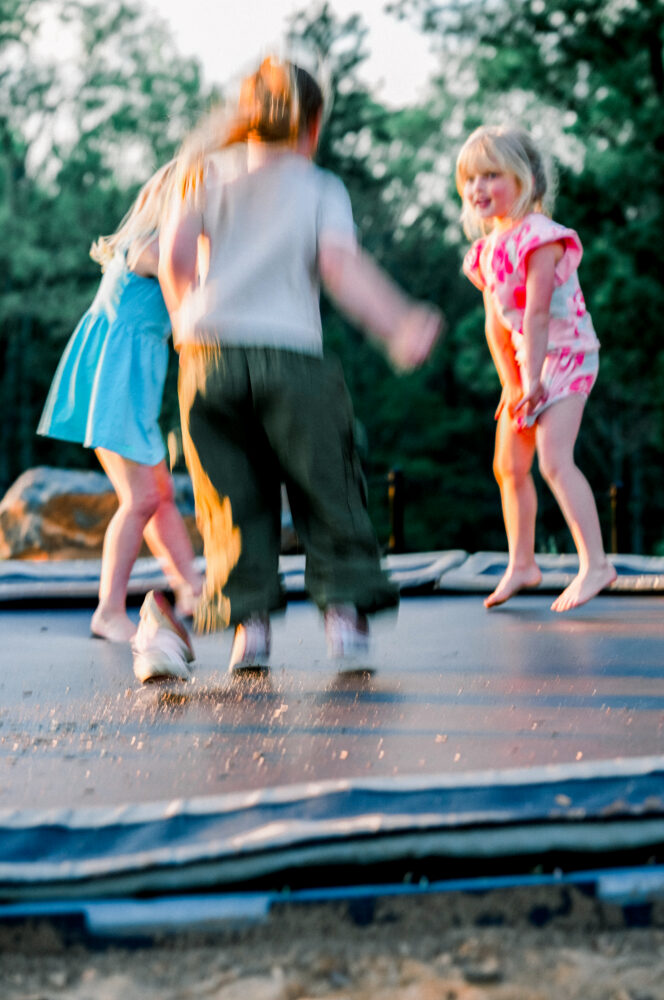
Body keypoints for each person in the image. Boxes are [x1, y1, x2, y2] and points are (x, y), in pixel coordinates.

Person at [134, 53, 443, 681]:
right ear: (314, 125)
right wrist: (399, 322)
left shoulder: (201, 173)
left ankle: (251, 632)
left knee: (231, 499)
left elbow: (171, 260)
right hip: (293, 357)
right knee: (326, 483)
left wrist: (187, 323)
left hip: (207, 359)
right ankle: (346, 619)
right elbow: (340, 269)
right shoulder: (320, 187)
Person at [37, 164, 203, 643]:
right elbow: (190, 297)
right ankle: (109, 609)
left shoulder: (149, 245)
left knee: (160, 494)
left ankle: (189, 586)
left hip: (127, 388)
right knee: (142, 498)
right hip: (115, 389)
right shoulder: (152, 249)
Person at [455, 125, 617, 612]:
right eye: (469, 179)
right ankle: (522, 564)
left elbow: (537, 314)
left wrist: (535, 382)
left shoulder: (543, 238)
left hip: (567, 355)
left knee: (552, 459)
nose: (477, 188)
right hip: (529, 361)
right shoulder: (486, 250)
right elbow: (494, 326)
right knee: (508, 465)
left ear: (524, 179)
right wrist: (513, 383)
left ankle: (596, 564)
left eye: (491, 175)